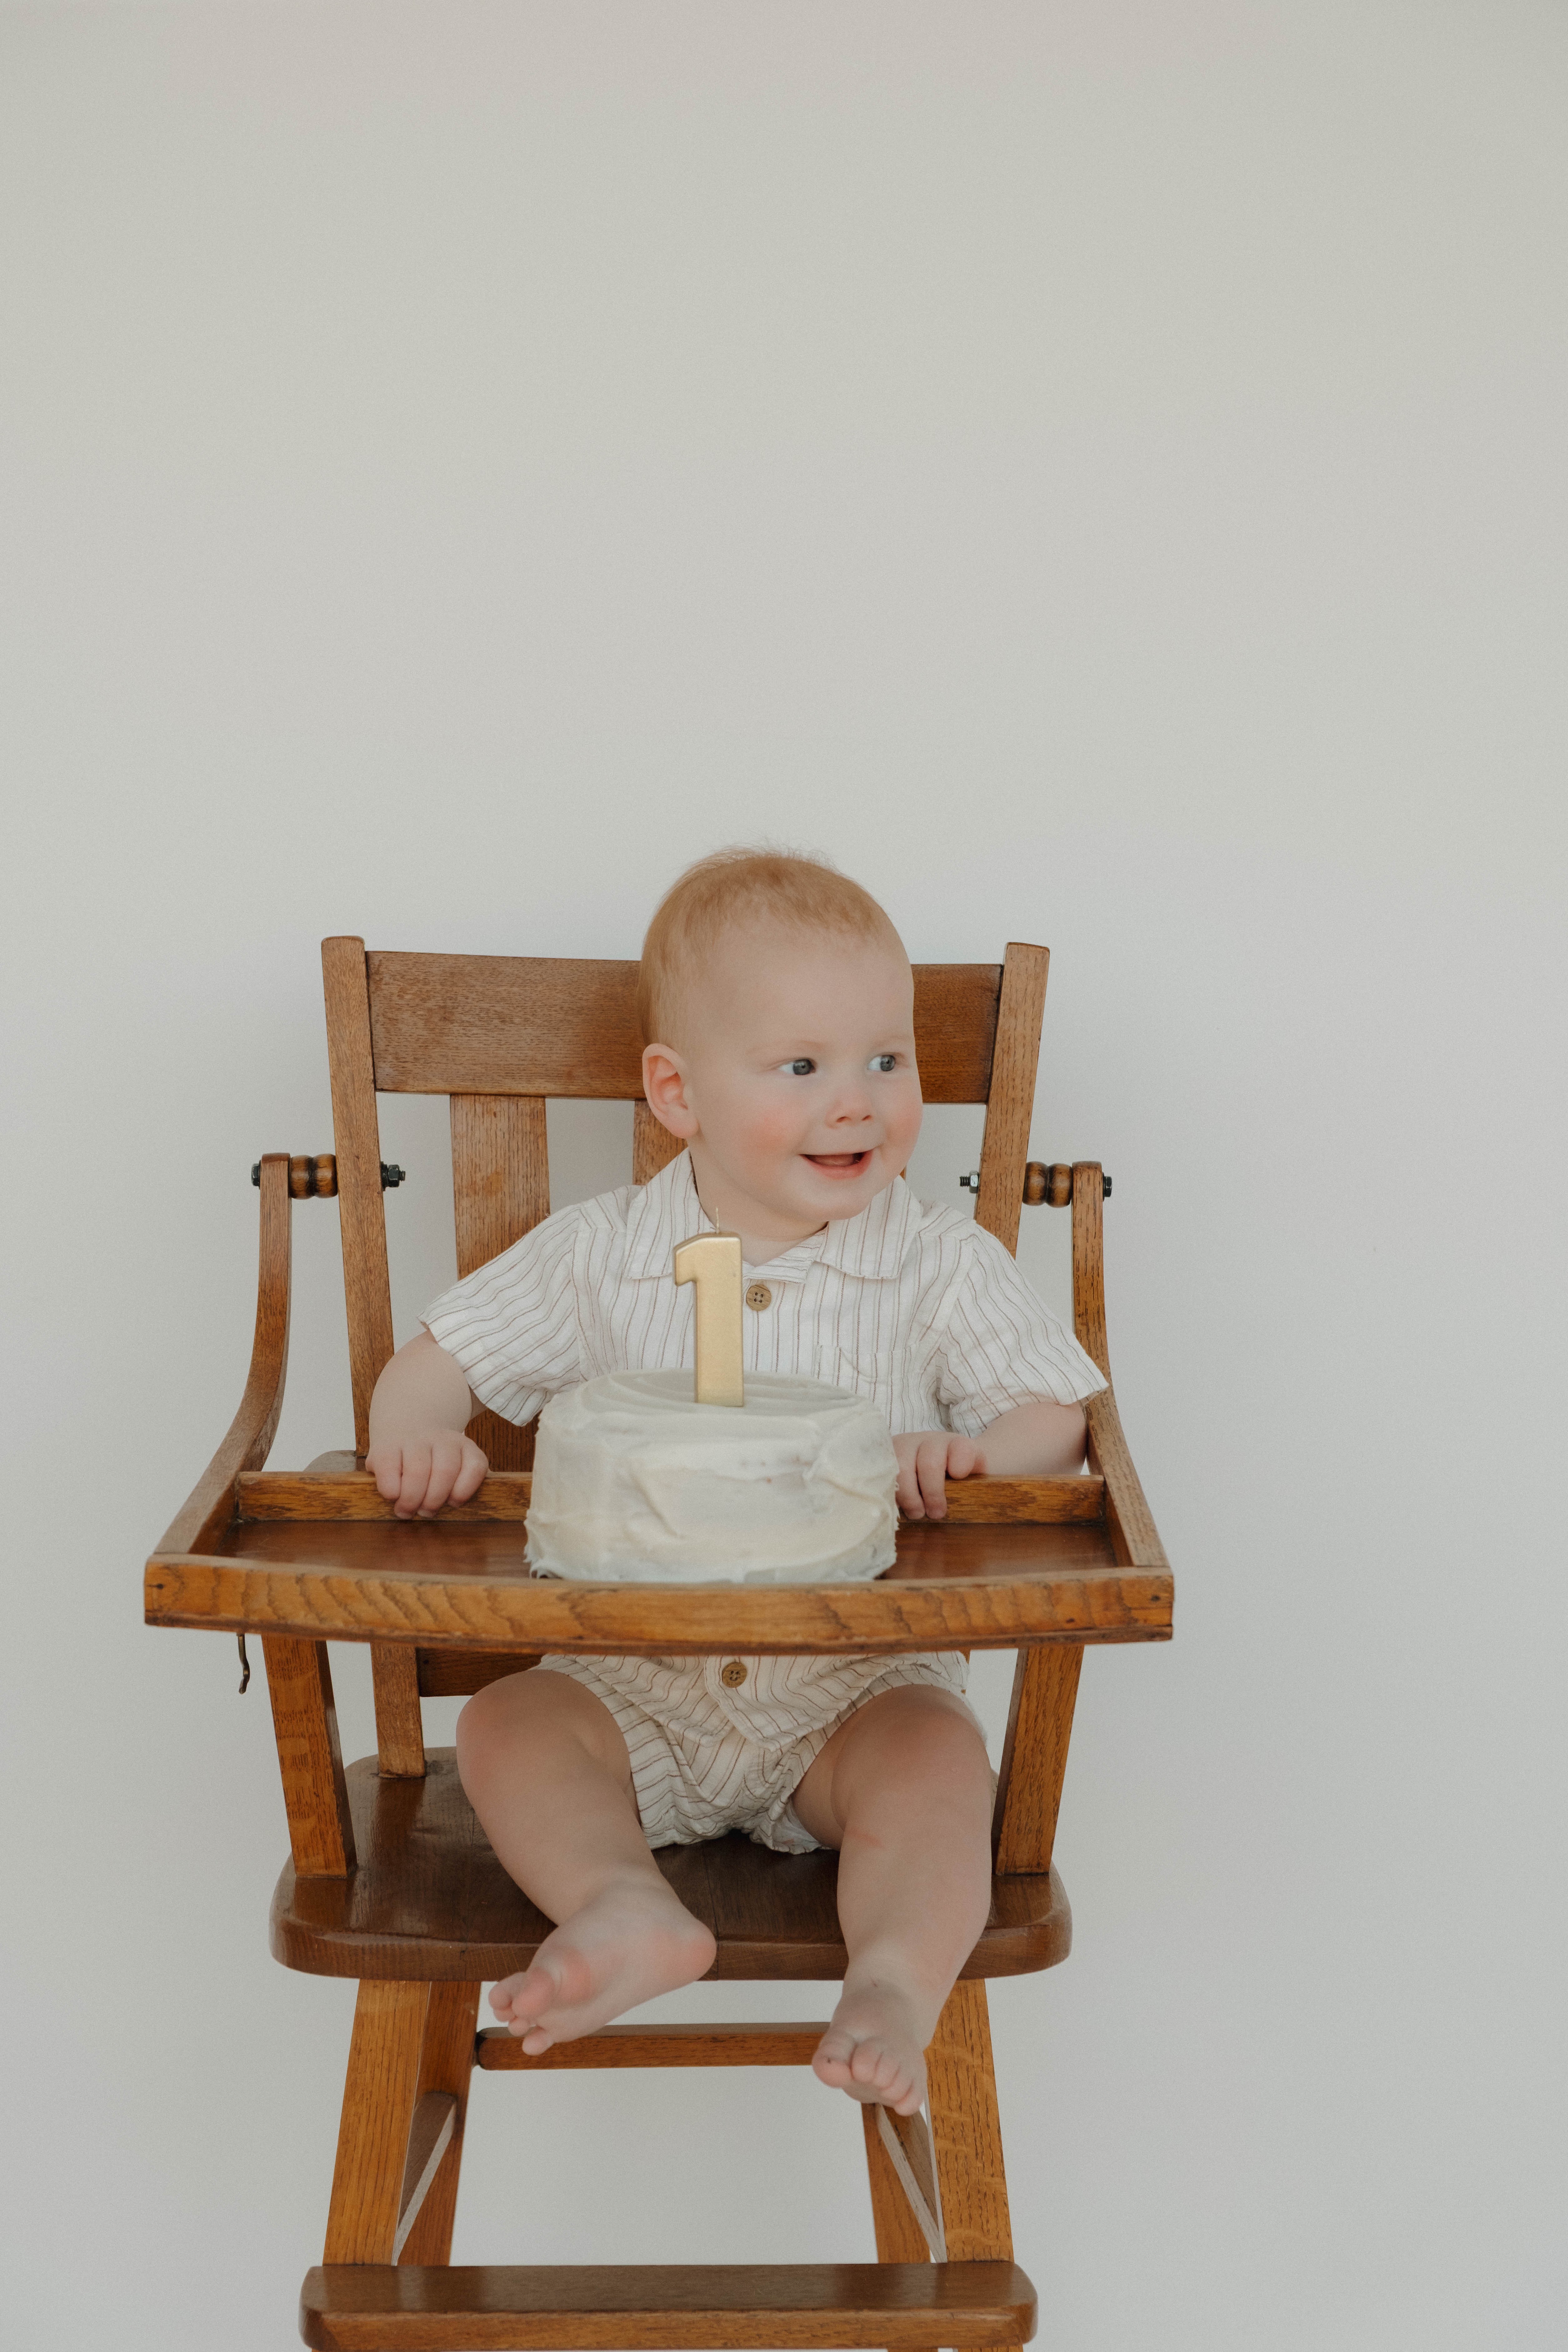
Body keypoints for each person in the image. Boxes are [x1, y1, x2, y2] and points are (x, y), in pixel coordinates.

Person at [366, 848, 1106, 2116]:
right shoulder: (600, 1254)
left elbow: (1060, 1417)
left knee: (938, 1766)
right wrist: (421, 1435)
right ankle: (621, 1903)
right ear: (678, 1091)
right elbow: (431, 1370)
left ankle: (891, 1977)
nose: (858, 1103)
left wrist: (983, 1454)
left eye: (889, 1059)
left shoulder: (935, 1261)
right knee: (504, 1725)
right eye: (802, 1066)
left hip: (853, 1691)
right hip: (623, 1682)